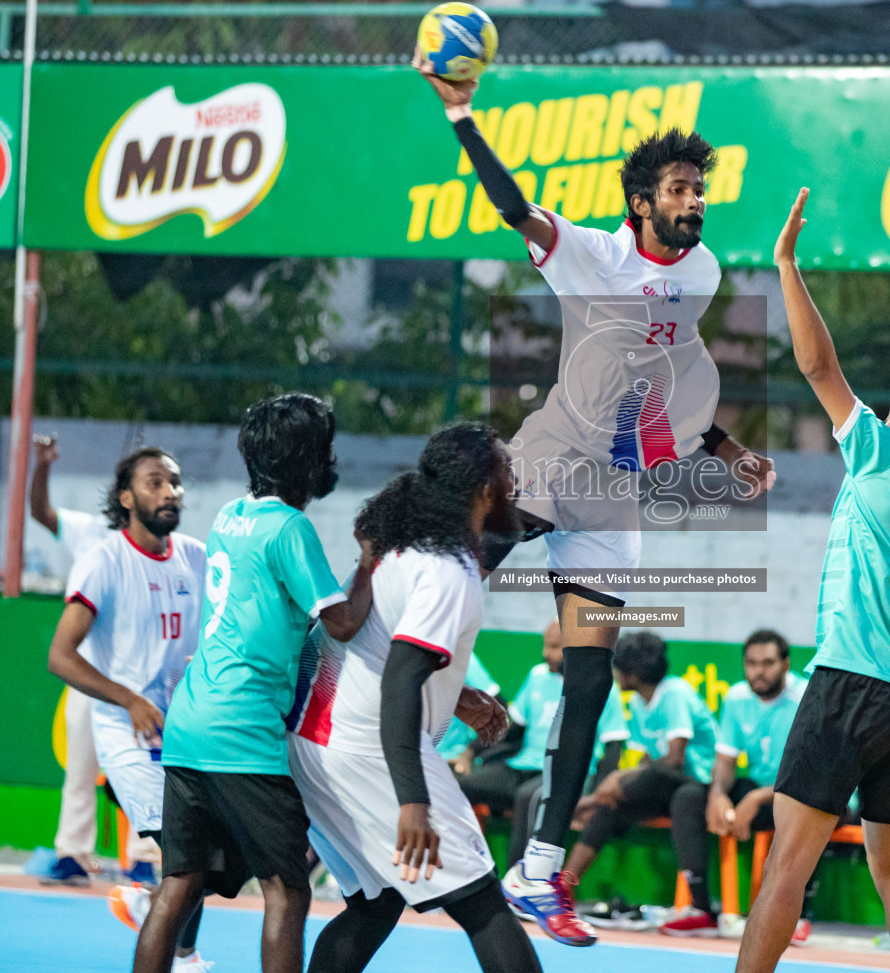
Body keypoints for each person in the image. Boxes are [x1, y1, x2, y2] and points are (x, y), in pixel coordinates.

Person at [415, 50, 774, 946]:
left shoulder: (701, 276)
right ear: (642, 202)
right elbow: (510, 206)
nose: (696, 200)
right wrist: (463, 117)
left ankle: (540, 874)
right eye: (681, 187)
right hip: (551, 463)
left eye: (702, 188)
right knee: (456, 575)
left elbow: (665, 381)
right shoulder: (590, 253)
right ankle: (390, 703)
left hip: (615, 496)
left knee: (588, 686)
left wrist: (720, 445)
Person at [734, 189, 890, 973]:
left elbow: (817, 364)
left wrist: (785, 266)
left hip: (847, 684)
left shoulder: (882, 457)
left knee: (787, 867)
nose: (887, 407)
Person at [288, 422, 543, 973]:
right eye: (507, 473)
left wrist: (458, 695)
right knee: (483, 904)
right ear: (482, 491)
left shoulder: (401, 541)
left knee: (377, 903)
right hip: (371, 750)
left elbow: (387, 653)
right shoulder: (449, 570)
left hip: (318, 739)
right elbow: (401, 682)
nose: (515, 484)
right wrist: (413, 801)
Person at [133, 393, 374, 973]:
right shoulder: (290, 528)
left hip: (192, 723)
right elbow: (341, 623)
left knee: (179, 883)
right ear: (308, 459)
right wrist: (370, 559)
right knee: (288, 889)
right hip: (244, 730)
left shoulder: (229, 516)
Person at [45, 448, 211, 971]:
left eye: (175, 483)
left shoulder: (197, 556)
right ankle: (179, 956)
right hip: (127, 732)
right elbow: (59, 656)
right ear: (126, 497)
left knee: (202, 854)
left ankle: (165, 930)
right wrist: (130, 699)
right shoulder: (104, 559)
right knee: (184, 853)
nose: (169, 492)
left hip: (186, 729)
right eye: (155, 482)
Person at [29, 432, 148, 887]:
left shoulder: (167, 545)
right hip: (87, 675)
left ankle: (144, 857)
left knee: (143, 771)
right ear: (124, 493)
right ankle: (73, 854)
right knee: (79, 767)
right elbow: (41, 512)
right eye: (148, 481)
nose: (159, 492)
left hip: (140, 680)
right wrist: (43, 465)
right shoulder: (89, 531)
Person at [658, 629, 812, 941]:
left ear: (785, 664)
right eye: (752, 663)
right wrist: (717, 795)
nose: (759, 671)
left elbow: (812, 775)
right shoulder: (737, 698)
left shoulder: (806, 699)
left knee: (804, 810)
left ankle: (795, 914)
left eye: (768, 663)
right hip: (762, 790)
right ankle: (702, 910)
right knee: (689, 796)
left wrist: (755, 798)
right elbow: (725, 762)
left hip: (804, 795)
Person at [458, 621, 629, 870]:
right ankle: (474, 874)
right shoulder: (537, 676)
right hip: (522, 766)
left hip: (565, 775)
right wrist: (470, 752)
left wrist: (594, 797)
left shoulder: (599, 685)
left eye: (555, 647)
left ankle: (519, 883)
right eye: (546, 646)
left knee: (530, 797)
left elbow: (613, 746)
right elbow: (511, 729)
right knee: (460, 787)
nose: (546, 654)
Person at [562, 632, 718, 901]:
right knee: (609, 807)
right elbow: (647, 761)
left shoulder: (675, 694)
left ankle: (587, 802)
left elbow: (675, 760)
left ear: (633, 672)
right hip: (664, 786)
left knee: (650, 780)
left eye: (618, 667)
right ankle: (564, 887)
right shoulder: (636, 702)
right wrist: (620, 780)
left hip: (698, 783)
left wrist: (620, 779)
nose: (615, 673)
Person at [438, 654, 504, 776]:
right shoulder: (398, 654)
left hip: (450, 762)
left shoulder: (460, 656)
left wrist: (469, 753)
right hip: (405, 759)